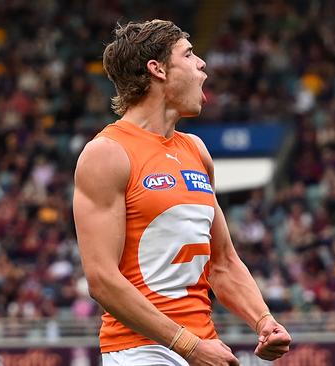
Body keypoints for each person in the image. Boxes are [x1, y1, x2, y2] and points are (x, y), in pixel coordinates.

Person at [72, 20, 292, 366]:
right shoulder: (107, 153)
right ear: (156, 69)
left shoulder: (196, 151)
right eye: (188, 54)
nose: (202, 64)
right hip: (140, 352)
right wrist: (188, 345)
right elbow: (101, 280)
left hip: (204, 348)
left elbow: (223, 263)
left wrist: (264, 321)